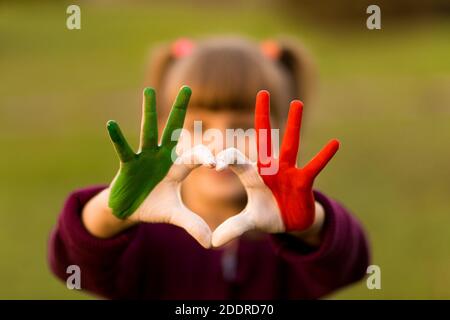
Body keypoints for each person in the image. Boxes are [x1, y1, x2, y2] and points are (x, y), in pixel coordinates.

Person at [48, 36, 370, 299]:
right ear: (163, 130)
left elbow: (350, 265)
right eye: (198, 125)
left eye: (245, 127)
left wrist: (310, 224)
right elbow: (73, 265)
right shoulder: (144, 239)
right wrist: (111, 212)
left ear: (284, 135)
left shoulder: (289, 239)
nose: (220, 142)